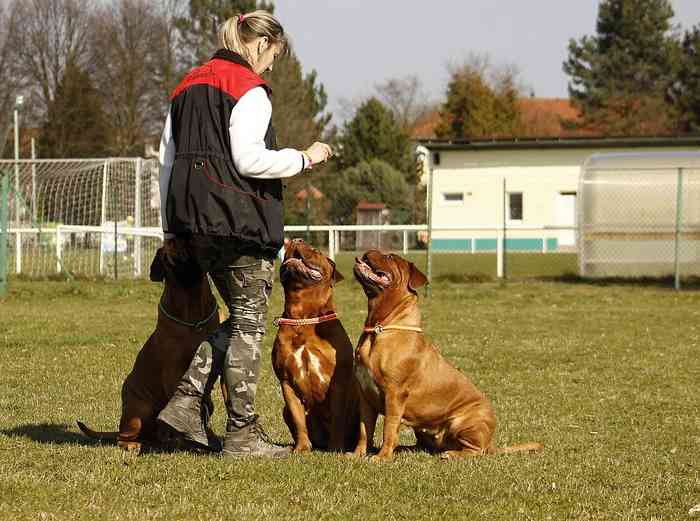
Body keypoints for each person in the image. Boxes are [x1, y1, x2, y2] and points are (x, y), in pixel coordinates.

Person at [156, 10, 332, 459]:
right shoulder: (248, 89)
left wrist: (172, 228)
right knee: (248, 325)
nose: (271, 66)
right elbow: (250, 161)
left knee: (239, 321)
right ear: (259, 45)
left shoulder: (186, 86)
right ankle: (241, 435)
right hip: (238, 223)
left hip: (193, 224)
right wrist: (304, 158)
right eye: (272, 55)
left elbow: (166, 161)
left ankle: (184, 404)